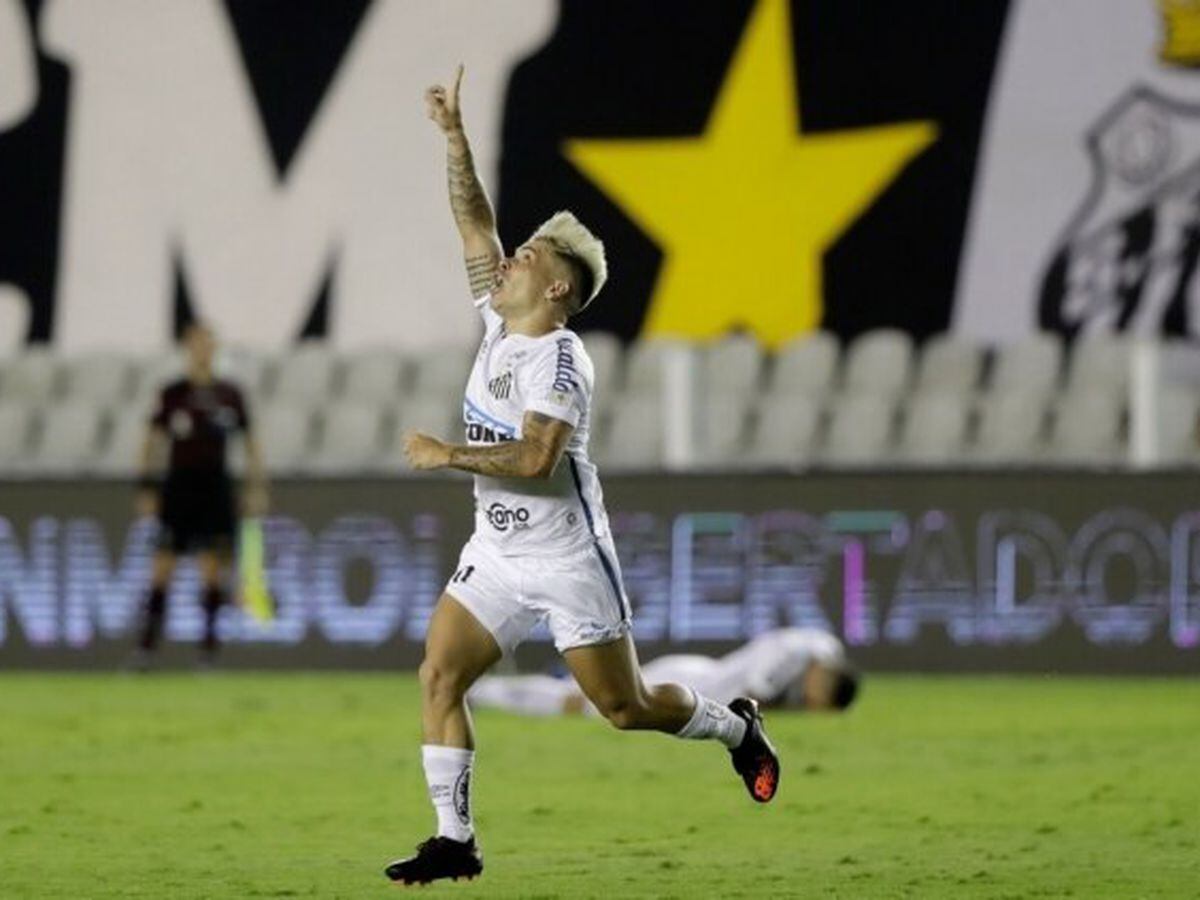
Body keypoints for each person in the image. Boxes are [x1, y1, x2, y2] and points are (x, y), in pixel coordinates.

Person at [384, 66, 780, 887]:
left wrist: (446, 453)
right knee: (438, 673)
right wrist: (455, 136)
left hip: (566, 558)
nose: (505, 260)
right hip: (495, 553)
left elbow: (535, 461)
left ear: (556, 288)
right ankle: (455, 840)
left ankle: (737, 730)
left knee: (625, 709)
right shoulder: (496, 320)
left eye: (523, 256)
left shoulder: (559, 360)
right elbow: (472, 221)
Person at [130, 321, 267, 669]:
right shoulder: (173, 392)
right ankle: (146, 648)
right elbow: (153, 441)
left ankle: (207, 652)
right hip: (178, 488)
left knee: (212, 569)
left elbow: (251, 444)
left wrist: (256, 487)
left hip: (215, 488)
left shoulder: (230, 394)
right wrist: (147, 486)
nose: (205, 348)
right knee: (162, 568)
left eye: (210, 342)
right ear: (187, 346)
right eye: (199, 342)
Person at [470, 628, 861, 717]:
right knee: (578, 703)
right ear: (822, 677)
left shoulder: (822, 649)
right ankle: (480, 691)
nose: (808, 703)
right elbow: (753, 691)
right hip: (685, 684)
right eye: (815, 697)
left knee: (581, 697)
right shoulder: (791, 653)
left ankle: (489, 688)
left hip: (699, 675)